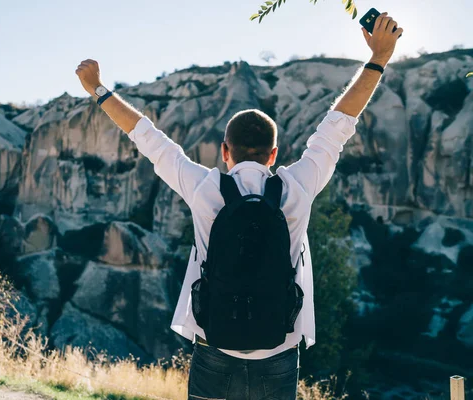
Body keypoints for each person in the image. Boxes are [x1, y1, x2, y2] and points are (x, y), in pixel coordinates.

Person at [76, 13, 403, 400]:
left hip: (214, 345)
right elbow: (340, 122)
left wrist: (97, 88)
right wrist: (379, 58)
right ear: (273, 154)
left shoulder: (205, 188)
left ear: (224, 152)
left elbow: (148, 137)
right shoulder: (298, 185)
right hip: (279, 348)